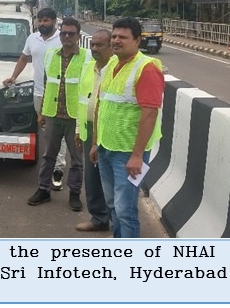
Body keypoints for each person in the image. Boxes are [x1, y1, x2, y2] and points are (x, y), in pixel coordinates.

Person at [90, 17, 164, 238]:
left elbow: (150, 113)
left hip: (128, 154)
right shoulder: (111, 64)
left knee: (125, 209)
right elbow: (101, 105)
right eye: (114, 36)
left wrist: (137, 155)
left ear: (138, 40)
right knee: (113, 204)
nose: (116, 41)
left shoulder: (146, 68)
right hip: (105, 147)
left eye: (123, 37)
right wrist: (95, 142)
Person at [27, 18, 90, 209]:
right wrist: (42, 113)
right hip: (53, 114)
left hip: (75, 117)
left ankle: (74, 193)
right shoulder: (51, 55)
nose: (67, 36)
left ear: (78, 36)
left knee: (77, 160)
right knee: (48, 156)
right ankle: (43, 190)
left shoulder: (87, 57)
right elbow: (47, 84)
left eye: (71, 33)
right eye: (63, 33)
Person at [4, 7, 67, 190]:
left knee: (58, 133)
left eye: (46, 20)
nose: (42, 23)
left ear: (54, 22)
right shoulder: (32, 38)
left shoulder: (62, 39)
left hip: (59, 94)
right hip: (39, 93)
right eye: (40, 20)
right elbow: (24, 58)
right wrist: (14, 77)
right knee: (46, 131)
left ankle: (58, 170)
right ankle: (49, 166)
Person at [74, 30, 113, 231]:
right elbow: (82, 100)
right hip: (89, 128)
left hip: (110, 129)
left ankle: (117, 220)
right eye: (93, 45)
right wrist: (78, 130)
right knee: (92, 177)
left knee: (112, 178)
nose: (95, 49)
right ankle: (99, 218)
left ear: (111, 47)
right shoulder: (88, 67)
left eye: (100, 45)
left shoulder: (116, 69)